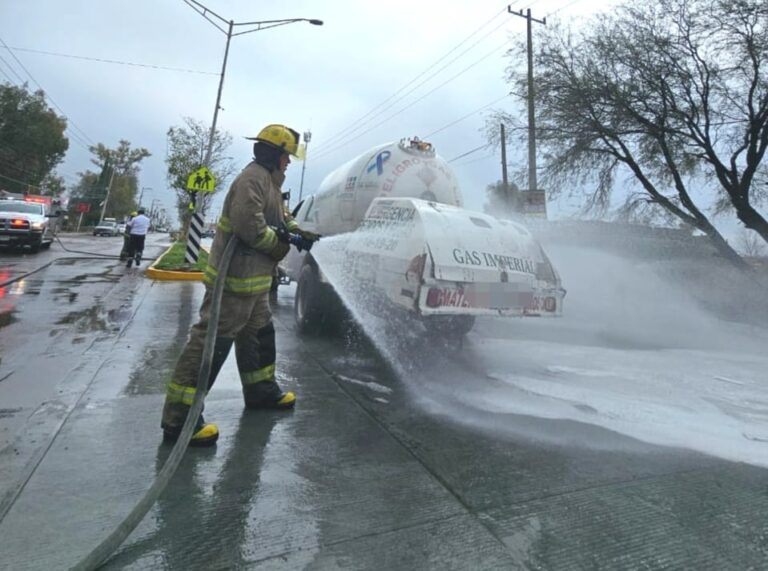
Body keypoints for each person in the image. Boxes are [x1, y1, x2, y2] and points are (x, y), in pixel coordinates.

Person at [160, 124, 320, 446]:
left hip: (255, 282)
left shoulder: (270, 183)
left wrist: (296, 231)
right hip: (234, 282)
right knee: (211, 342)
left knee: (260, 333)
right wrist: (281, 243)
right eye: (286, 156)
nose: (289, 162)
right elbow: (251, 228)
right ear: (274, 155)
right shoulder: (253, 179)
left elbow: (279, 217)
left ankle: (261, 392)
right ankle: (181, 419)